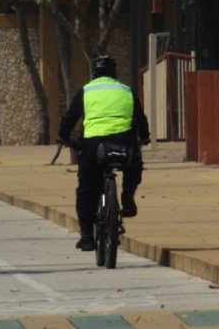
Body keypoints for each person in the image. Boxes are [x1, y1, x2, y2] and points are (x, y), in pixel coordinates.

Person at [57, 55, 150, 251]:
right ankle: (127, 197)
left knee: (85, 189)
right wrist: (144, 137)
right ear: (114, 73)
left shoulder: (86, 90)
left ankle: (86, 236)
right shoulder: (126, 91)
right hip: (124, 143)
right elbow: (140, 118)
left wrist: (63, 137)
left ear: (93, 73)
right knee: (134, 164)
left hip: (92, 146)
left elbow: (70, 118)